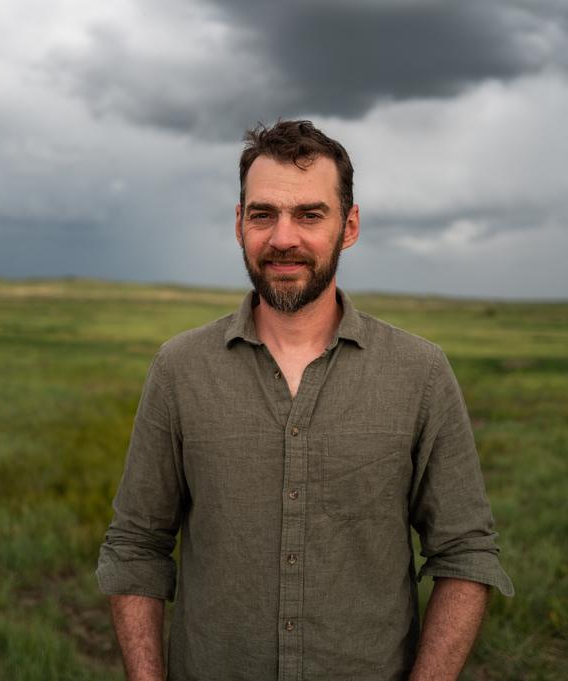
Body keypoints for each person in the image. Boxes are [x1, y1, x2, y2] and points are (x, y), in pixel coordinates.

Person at [96, 119, 513, 681]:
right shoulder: (179, 369)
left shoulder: (421, 372)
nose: (283, 237)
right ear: (239, 224)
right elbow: (136, 547)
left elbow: (466, 553)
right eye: (263, 214)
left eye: (310, 215)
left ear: (350, 226)